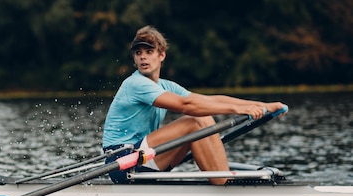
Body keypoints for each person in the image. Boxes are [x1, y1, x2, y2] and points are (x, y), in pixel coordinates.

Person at [102, 25, 286, 185]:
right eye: (138, 53)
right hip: (122, 162)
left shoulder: (166, 86)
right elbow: (186, 105)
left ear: (162, 55)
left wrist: (264, 105)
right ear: (134, 58)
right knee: (194, 121)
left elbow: (209, 100)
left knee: (203, 117)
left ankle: (223, 180)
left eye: (149, 52)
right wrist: (237, 110)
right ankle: (225, 185)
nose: (143, 57)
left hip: (143, 157)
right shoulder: (135, 84)